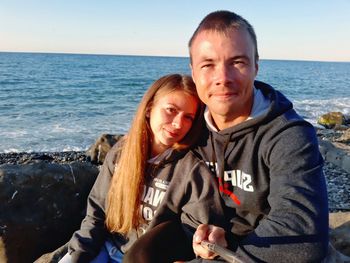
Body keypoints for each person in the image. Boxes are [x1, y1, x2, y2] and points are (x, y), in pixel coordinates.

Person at [124, 10, 329, 263]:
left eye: (238, 62)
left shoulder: (287, 135)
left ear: (256, 65)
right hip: (197, 231)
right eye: (208, 65)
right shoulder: (190, 123)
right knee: (139, 255)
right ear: (193, 70)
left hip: (253, 245)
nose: (223, 78)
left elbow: (301, 233)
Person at [59, 74, 226, 263]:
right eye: (171, 110)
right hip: (104, 247)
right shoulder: (122, 152)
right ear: (149, 109)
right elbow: (97, 212)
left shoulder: (192, 169)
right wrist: (78, 254)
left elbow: (194, 234)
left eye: (188, 117)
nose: (178, 123)